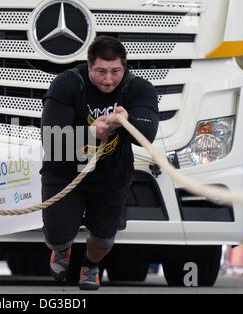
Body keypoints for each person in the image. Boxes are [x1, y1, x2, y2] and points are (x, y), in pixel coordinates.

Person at [40, 35, 159, 290]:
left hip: (111, 175)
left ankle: (90, 265)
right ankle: (61, 250)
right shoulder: (66, 84)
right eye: (101, 71)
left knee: (104, 238)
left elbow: (147, 135)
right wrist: (93, 133)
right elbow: (52, 142)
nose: (108, 80)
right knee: (57, 235)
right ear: (89, 65)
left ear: (124, 67)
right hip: (65, 172)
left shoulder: (139, 88)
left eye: (115, 71)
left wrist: (128, 119)